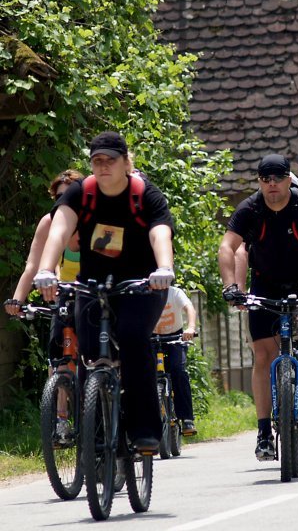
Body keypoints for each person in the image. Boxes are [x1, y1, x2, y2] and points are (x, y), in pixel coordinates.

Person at [34, 131, 175, 453]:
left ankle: (144, 431)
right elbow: (59, 230)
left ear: (126, 162)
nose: (103, 167)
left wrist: (164, 268)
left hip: (143, 284)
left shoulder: (144, 194)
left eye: (110, 160)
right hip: (93, 284)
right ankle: (94, 436)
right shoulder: (82, 194)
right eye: (96, 161)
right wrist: (46, 269)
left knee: (132, 338)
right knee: (88, 355)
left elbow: (160, 233)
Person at [217, 153, 298, 461]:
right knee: (263, 357)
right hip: (267, 282)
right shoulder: (250, 209)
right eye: (265, 180)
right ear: (259, 182)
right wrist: (231, 287)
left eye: (277, 179)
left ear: (289, 179)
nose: (271, 185)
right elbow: (228, 247)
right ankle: (263, 433)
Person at [4, 170, 83, 318]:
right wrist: (17, 301)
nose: (66, 202)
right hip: (65, 296)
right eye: (60, 197)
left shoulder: (91, 222)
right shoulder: (48, 222)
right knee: (57, 338)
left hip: (92, 293)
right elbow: (32, 267)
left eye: (71, 197)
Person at [153, 285, 198, 436]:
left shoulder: (175, 292)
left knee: (178, 371)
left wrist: (190, 328)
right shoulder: (144, 291)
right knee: (143, 376)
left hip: (176, 337)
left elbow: (189, 308)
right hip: (152, 338)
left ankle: (186, 418)